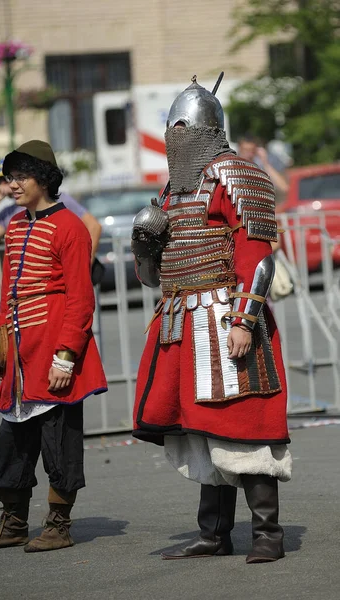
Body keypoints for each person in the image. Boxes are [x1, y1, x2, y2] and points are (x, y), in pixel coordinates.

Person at [131, 77, 292, 564]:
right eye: (170, 128)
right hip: (182, 318)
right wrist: (145, 245)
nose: (174, 136)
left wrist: (244, 319)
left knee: (242, 422)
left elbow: (257, 258)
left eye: (182, 127)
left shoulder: (236, 174)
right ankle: (214, 533)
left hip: (225, 317)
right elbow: (152, 275)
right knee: (198, 427)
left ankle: (267, 534)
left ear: (203, 128)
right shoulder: (175, 188)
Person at [0, 140, 108, 552]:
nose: (12, 185)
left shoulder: (70, 226)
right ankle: (13, 521)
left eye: (20, 177)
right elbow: (9, 293)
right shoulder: (16, 225)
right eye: (10, 178)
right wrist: (1, 349)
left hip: (54, 347)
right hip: (19, 352)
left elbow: (80, 300)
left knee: (60, 443)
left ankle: (58, 524)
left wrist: (66, 358)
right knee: (12, 442)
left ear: (44, 178)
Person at [0, 160, 102, 264]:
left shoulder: (57, 199)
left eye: (6, 178)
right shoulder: (8, 212)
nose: (3, 185)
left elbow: (94, 226)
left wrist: (84, 265)